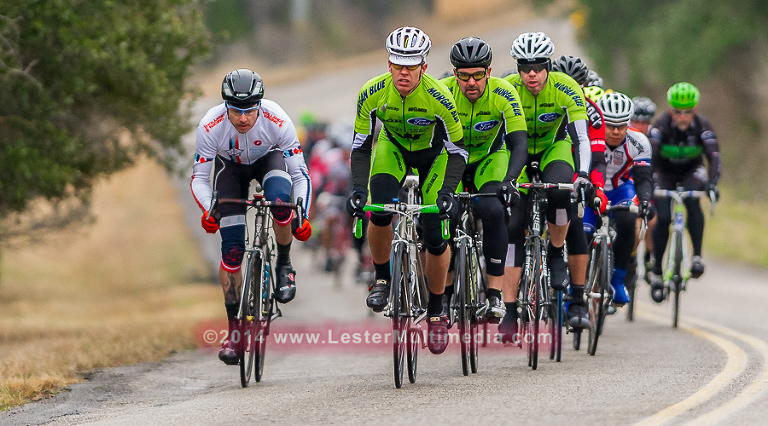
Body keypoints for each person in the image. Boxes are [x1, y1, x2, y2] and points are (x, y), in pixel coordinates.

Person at [346, 26, 467, 354]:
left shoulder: (440, 97)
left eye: (411, 65)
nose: (403, 71)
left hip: (434, 157)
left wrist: (448, 193)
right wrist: (358, 189)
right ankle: (383, 280)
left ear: (423, 68)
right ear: (388, 63)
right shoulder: (371, 93)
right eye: (398, 63)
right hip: (393, 149)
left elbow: (458, 151)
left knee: (434, 232)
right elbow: (359, 147)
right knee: (379, 209)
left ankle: (438, 311)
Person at [191, 69, 313, 365]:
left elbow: (300, 174)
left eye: (249, 111)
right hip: (229, 169)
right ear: (226, 107)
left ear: (260, 105)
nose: (243, 118)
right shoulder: (210, 124)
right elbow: (199, 179)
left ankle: (284, 263)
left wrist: (302, 214)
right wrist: (210, 209)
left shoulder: (278, 120)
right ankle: (235, 332)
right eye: (236, 111)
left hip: (268, 160)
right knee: (232, 251)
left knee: (282, 204)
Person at [500, 32, 592, 341]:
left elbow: (580, 137)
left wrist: (583, 174)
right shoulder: (507, 88)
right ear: (518, 67)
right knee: (513, 226)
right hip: (519, 153)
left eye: (538, 67)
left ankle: (555, 253)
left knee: (560, 192)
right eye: (525, 67)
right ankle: (510, 310)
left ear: (548, 66)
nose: (532, 74)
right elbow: (499, 137)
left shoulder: (566, 87)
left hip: (555, 149)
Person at [439, 37, 528, 323]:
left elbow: (519, 142)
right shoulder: (442, 93)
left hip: (489, 160)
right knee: (443, 216)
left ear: (488, 72)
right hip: (451, 159)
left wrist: (511, 179)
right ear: (455, 74)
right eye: (464, 76)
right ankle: (447, 290)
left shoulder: (504, 93)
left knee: (493, 211)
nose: (471, 82)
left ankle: (494, 294)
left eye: (478, 75)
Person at [647, 82, 721, 302]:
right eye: (677, 112)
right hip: (663, 173)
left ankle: (697, 256)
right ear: (670, 111)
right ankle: (658, 272)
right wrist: (646, 182)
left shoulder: (703, 126)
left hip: (691, 172)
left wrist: (712, 183)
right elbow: (649, 158)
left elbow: (714, 157)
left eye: (687, 112)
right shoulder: (660, 126)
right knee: (664, 217)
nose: (682, 117)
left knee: (692, 202)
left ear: (695, 111)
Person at [550, 55, 608, 329]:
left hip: (577, 172)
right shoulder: (541, 101)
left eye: (576, 84)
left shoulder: (592, 112)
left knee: (575, 226)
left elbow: (597, 156)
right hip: (547, 167)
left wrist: (593, 185)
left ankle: (578, 300)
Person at [585, 92, 654, 305]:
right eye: (610, 125)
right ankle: (575, 286)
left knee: (627, 222)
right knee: (584, 231)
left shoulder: (639, 142)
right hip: (592, 188)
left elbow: (643, 179)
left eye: (621, 126)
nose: (615, 131)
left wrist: (644, 201)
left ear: (628, 124)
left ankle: (617, 279)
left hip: (619, 189)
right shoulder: (587, 137)